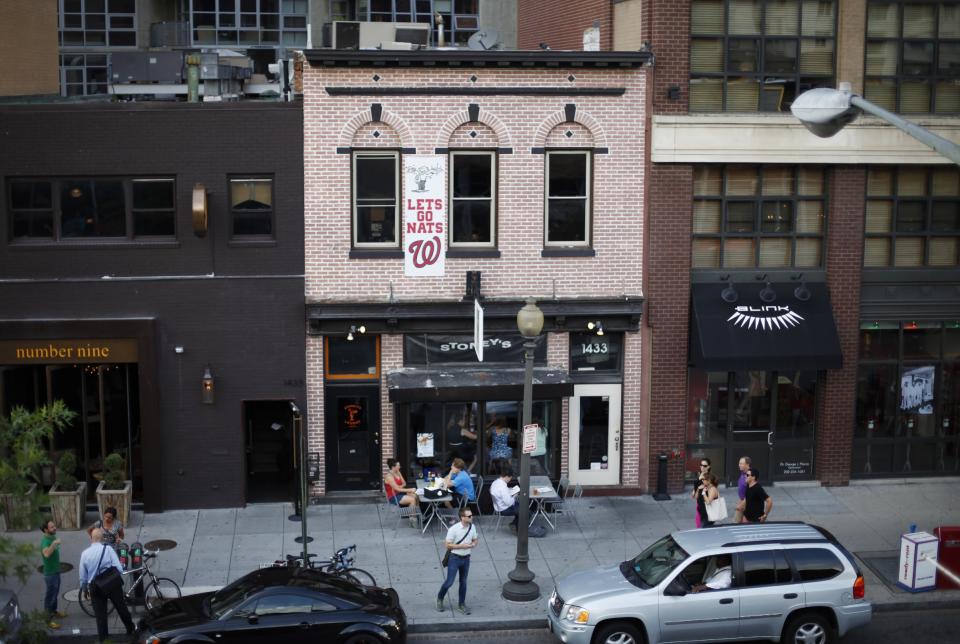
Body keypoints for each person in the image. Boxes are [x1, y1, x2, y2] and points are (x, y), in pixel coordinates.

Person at [79, 528, 135, 643]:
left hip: (95, 587)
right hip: (112, 584)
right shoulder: (108, 549)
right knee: (121, 607)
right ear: (103, 538)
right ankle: (131, 630)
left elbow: (83, 576)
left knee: (101, 616)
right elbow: (119, 568)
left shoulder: (84, 554)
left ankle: (104, 639)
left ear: (91, 538)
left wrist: (85, 589)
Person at [436, 507, 477, 615]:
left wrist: (473, 544)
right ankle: (440, 598)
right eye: (469, 516)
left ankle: (461, 604)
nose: (471, 517)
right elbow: (447, 544)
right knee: (449, 582)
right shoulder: (454, 529)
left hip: (466, 558)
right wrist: (461, 546)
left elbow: (475, 539)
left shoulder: (472, 527)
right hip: (454, 558)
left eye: (471, 515)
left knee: (463, 582)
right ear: (462, 517)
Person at [40, 519, 67, 629]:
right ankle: (48, 620)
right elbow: (46, 554)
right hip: (50, 574)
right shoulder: (45, 541)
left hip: (55, 571)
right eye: (51, 527)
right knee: (50, 596)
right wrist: (54, 543)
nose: (54, 528)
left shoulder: (52, 537)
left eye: (54, 526)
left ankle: (54, 612)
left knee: (54, 594)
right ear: (46, 530)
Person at [384, 458, 419, 526]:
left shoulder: (398, 472)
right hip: (393, 496)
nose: (400, 467)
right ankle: (413, 519)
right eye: (398, 466)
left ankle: (414, 515)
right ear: (393, 467)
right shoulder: (389, 476)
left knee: (415, 495)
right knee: (412, 499)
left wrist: (398, 487)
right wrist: (410, 489)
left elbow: (404, 483)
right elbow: (397, 489)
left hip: (398, 493)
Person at [691, 458, 711, 528]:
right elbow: (693, 495)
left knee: (703, 529)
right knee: (699, 527)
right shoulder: (699, 477)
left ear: (708, 467)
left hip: (707, 508)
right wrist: (697, 487)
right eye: (701, 465)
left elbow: (712, 491)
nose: (702, 467)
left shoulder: (710, 478)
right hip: (700, 507)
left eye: (704, 466)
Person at [732, 456, 752, 524]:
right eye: (739, 463)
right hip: (742, 501)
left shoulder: (750, 476)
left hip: (748, 503)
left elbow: (751, 494)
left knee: (744, 524)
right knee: (736, 522)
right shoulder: (743, 473)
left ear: (747, 465)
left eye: (741, 463)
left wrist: (741, 505)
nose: (739, 465)